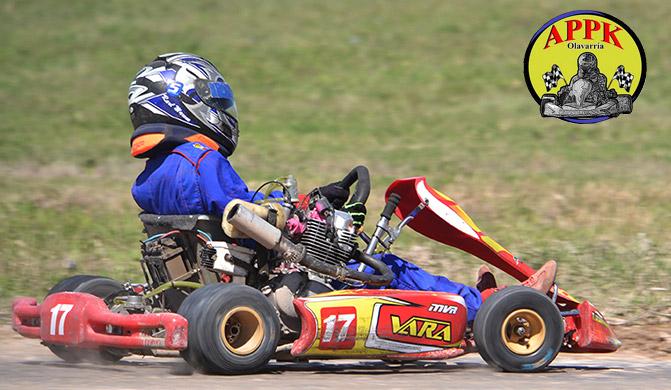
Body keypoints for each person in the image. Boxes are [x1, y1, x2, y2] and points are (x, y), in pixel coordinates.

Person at [128, 53, 556, 322]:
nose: (223, 113)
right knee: (387, 267)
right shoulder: (205, 161)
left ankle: (482, 300)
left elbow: (220, 218)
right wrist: (309, 209)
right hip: (274, 282)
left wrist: (307, 198)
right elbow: (244, 215)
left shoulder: (151, 175)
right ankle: (495, 308)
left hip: (198, 288)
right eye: (216, 105)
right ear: (185, 106)